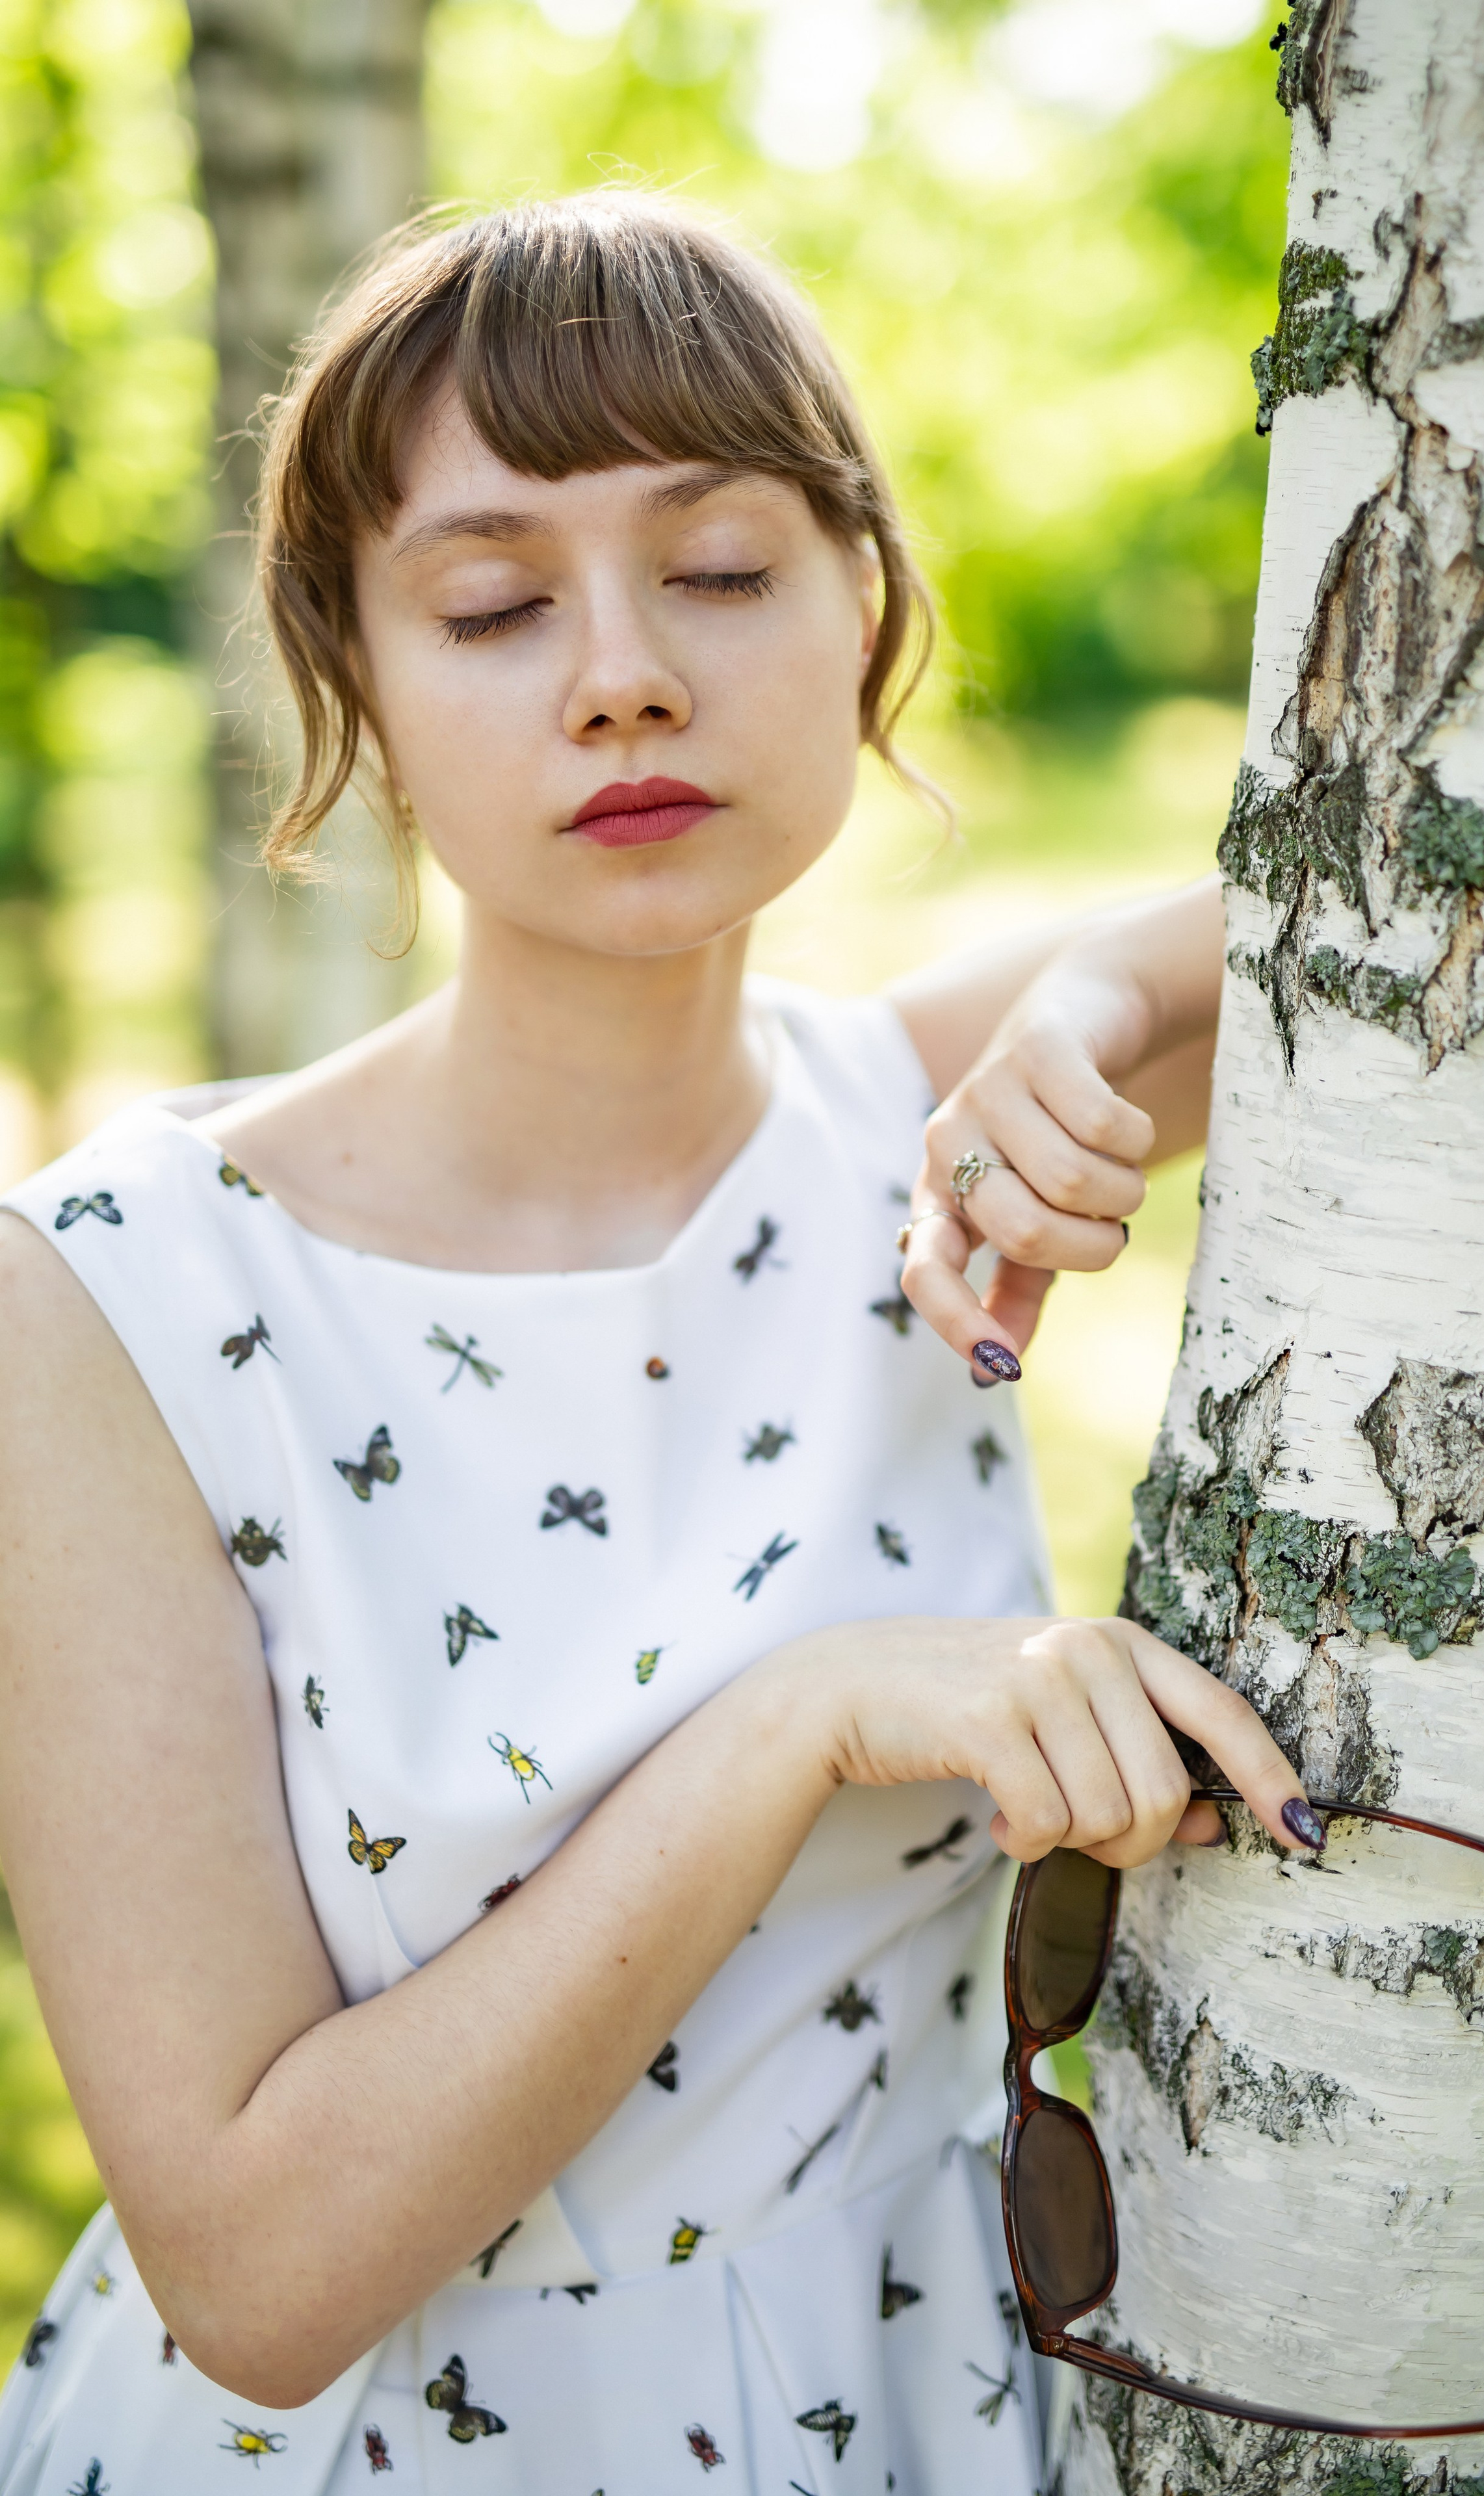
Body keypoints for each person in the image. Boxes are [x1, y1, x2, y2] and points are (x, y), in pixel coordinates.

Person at [0, 195, 1318, 2495]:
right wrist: (805, 1719)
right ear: (357, 683)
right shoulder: (117, 1294)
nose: (620, 675)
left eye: (715, 569)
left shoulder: (919, 1121)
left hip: (917, 2404)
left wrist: (1099, 985)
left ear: (863, 607)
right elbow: (258, 2280)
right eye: (493, 606)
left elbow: (1453, 897)